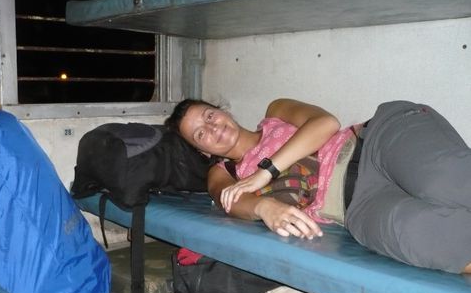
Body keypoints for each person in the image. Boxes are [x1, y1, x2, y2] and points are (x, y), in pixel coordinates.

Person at [165, 98, 471, 275]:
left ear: (224, 111)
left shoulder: (275, 111)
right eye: (200, 134)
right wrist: (264, 206)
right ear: (201, 151)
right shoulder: (222, 173)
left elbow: (326, 123)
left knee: (445, 180)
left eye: (210, 115)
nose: (212, 127)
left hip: (374, 141)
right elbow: (230, 200)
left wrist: (266, 172)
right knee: (424, 238)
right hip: (357, 206)